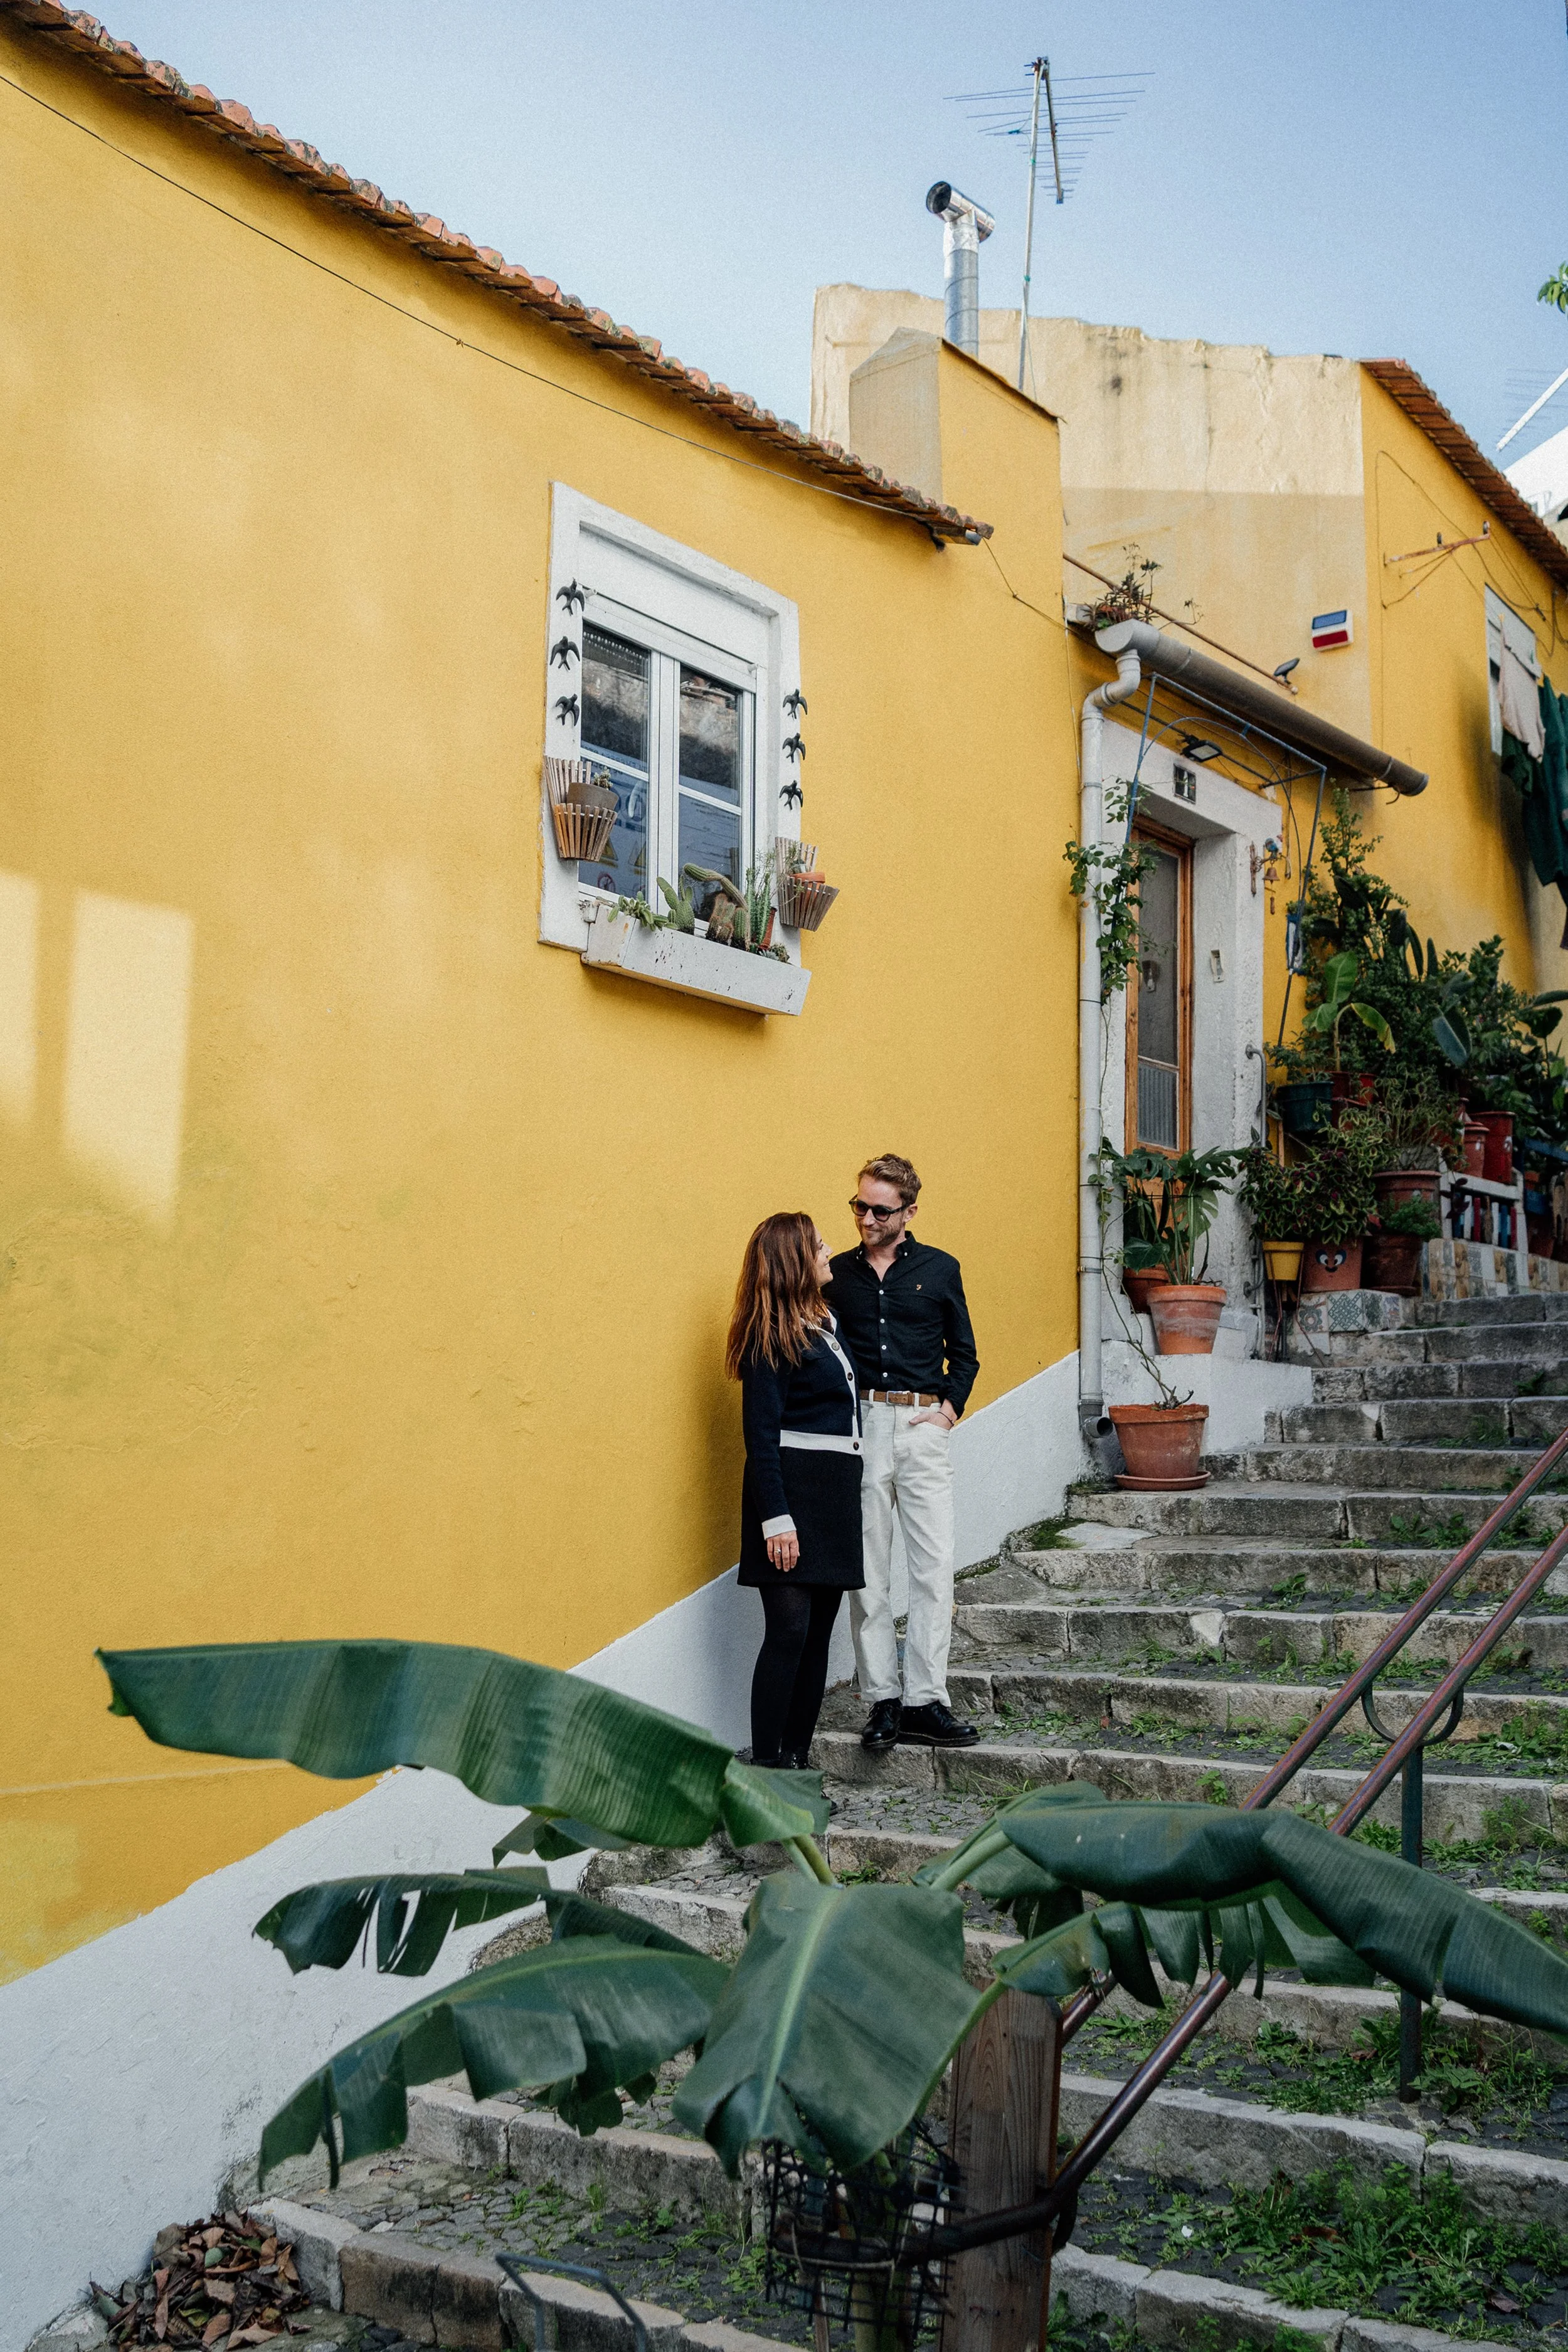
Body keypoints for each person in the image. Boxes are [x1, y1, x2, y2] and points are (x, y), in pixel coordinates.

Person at [825, 1153, 980, 1753]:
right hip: (863, 1426)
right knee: (866, 1572)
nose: (866, 1218)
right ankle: (881, 1700)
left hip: (920, 1424)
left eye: (879, 1210)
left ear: (909, 1212)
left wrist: (947, 1411)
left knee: (933, 1567)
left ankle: (925, 1699)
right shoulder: (836, 1274)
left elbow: (964, 1352)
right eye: (859, 1205)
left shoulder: (941, 1269)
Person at [728, 1210, 865, 1769]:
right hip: (792, 1502)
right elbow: (760, 1438)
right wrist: (776, 1519)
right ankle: (767, 1767)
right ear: (793, 1262)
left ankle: (797, 1760)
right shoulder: (769, 1338)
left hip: (833, 1500)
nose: (829, 1248)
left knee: (816, 1642)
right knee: (788, 1632)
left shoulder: (826, 1324)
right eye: (817, 1245)